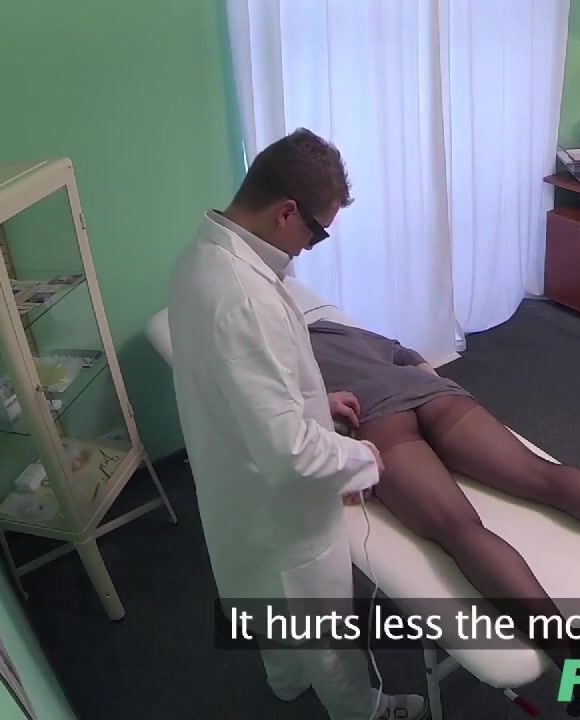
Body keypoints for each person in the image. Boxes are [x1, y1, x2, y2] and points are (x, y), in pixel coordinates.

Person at [307, 319, 580, 717]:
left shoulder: (284, 356)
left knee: (457, 528)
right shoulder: (333, 327)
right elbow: (405, 354)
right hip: (434, 394)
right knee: (542, 476)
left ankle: (572, 651)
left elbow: (293, 434)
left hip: (377, 419)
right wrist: (429, 385)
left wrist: (342, 459)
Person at [169, 129, 425, 720]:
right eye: (317, 231)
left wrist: (314, 400)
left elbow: (242, 380)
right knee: (322, 624)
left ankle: (285, 681)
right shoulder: (246, 298)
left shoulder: (202, 256)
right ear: (287, 210)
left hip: (232, 480)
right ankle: (363, 710)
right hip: (280, 510)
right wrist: (363, 461)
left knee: (265, 605)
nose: (312, 247)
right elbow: (291, 453)